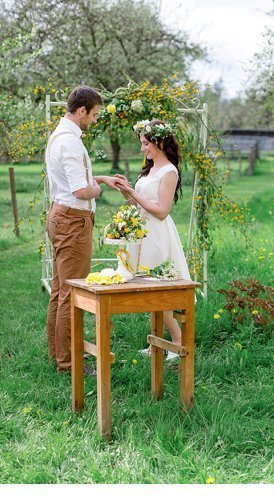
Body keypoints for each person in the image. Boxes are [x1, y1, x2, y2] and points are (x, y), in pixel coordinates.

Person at [46, 85, 127, 373]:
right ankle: (69, 364)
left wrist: (100, 179)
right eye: (93, 114)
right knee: (72, 293)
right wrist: (97, 189)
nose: (94, 120)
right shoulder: (69, 142)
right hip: (72, 222)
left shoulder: (62, 135)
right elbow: (80, 190)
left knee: (59, 290)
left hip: (61, 215)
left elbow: (74, 181)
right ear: (81, 111)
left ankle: (58, 355)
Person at [116, 119, 191, 361]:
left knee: (159, 290)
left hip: (157, 235)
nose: (143, 149)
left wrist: (135, 194)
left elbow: (161, 211)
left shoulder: (169, 171)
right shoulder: (149, 170)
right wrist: (127, 192)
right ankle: (156, 342)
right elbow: (137, 205)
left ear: (159, 142)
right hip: (141, 234)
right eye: (141, 144)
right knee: (147, 290)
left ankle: (178, 342)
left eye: (146, 143)